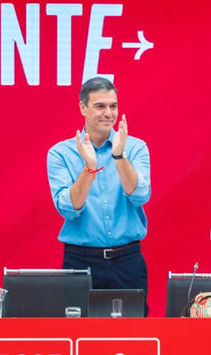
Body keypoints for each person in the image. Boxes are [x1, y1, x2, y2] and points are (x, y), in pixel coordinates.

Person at [47, 77, 152, 315]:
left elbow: (140, 195)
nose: (108, 113)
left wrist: (119, 157)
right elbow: (69, 207)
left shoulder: (135, 147)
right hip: (80, 261)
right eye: (100, 106)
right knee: (79, 337)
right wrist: (89, 167)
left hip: (127, 259)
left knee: (133, 338)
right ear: (82, 108)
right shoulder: (60, 153)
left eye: (113, 106)